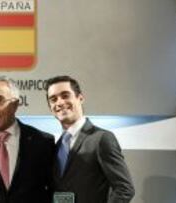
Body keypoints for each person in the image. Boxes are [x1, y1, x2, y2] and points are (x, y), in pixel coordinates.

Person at [45, 75, 135, 203]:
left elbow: (125, 189)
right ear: (50, 107)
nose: (59, 103)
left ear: (80, 98)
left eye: (65, 96)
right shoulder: (56, 145)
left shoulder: (101, 139)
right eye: (53, 99)